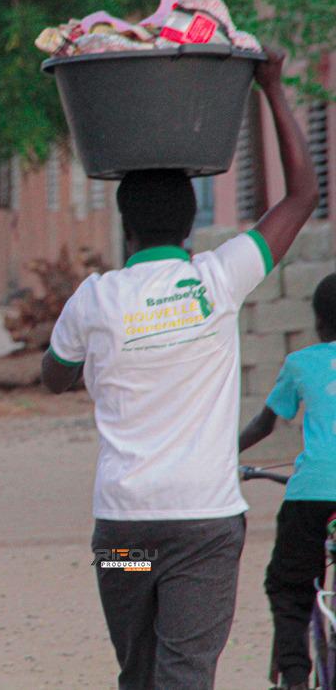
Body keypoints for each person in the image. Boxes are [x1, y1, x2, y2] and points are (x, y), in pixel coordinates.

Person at [41, 46, 318, 690]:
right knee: (185, 675)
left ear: (124, 226)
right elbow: (303, 195)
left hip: (126, 530)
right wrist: (269, 88)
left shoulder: (95, 298)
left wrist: (102, 360)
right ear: (192, 224)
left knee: (137, 674)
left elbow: (54, 377)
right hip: (202, 527)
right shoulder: (216, 280)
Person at [240, 272, 336, 690]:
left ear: (318, 323)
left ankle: (294, 676)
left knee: (289, 587)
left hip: (311, 495)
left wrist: (219, 455)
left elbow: (265, 424)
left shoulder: (301, 363)